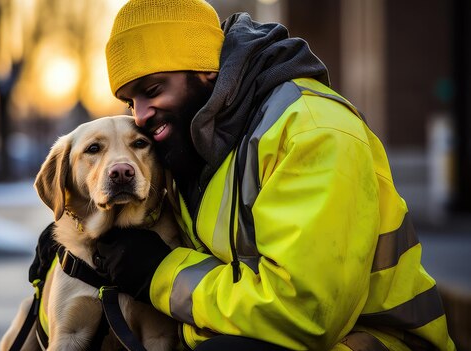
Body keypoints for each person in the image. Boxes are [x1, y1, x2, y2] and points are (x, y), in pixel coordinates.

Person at [91, 0, 456, 350]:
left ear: (205, 69)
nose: (139, 115)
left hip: (375, 341)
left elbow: (304, 314)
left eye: (152, 91)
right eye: (129, 101)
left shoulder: (310, 132)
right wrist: (75, 237)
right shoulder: (202, 146)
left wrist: (161, 274)